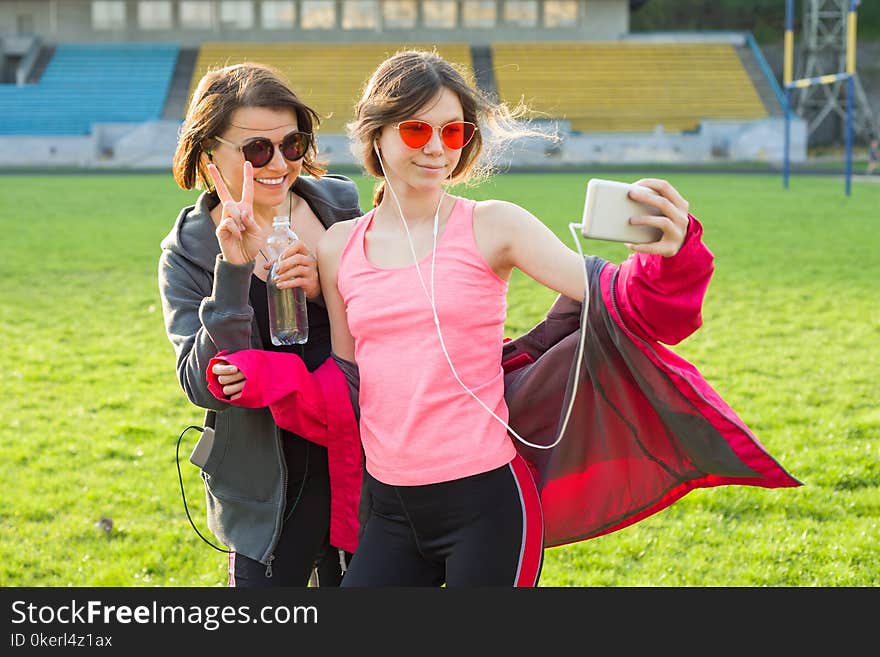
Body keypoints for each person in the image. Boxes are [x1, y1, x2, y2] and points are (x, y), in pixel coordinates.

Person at [207, 50, 800, 587]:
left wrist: (671, 254)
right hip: (388, 511)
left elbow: (619, 300)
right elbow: (348, 383)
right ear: (377, 135)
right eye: (416, 128)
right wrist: (268, 378)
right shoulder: (338, 246)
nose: (436, 147)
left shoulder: (495, 225)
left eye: (453, 130)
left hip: (487, 507)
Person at [157, 62, 362, 587]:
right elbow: (200, 385)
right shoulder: (189, 252)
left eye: (291, 144)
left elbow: (395, 324)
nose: (278, 164)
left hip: (363, 469)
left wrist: (326, 286)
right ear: (209, 157)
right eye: (255, 150)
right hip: (266, 488)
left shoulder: (342, 209)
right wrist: (233, 272)